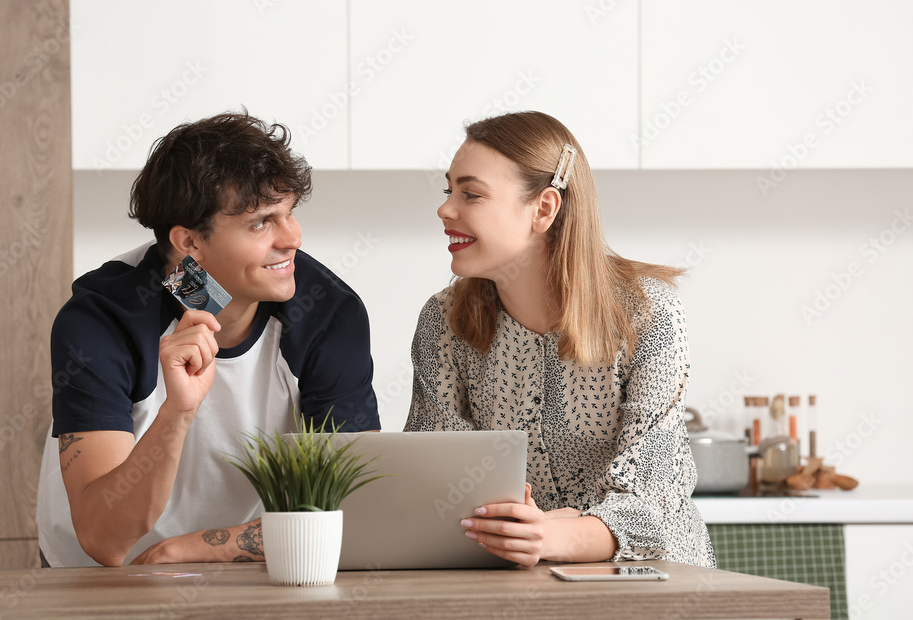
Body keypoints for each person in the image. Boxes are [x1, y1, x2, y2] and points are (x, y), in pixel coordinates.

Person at [36, 111, 381, 567]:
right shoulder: (103, 319)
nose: (292, 237)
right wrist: (178, 412)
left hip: (242, 569)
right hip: (93, 579)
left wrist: (185, 550)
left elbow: (355, 508)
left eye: (290, 212)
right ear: (189, 242)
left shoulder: (328, 314)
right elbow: (105, 540)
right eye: (262, 222)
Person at [404, 111, 715, 569]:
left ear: (544, 208)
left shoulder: (647, 313)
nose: (446, 209)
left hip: (655, 584)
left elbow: (656, 498)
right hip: (512, 581)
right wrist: (530, 533)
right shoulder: (443, 323)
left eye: (470, 194)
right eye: (448, 190)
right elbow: (432, 481)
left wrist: (553, 534)